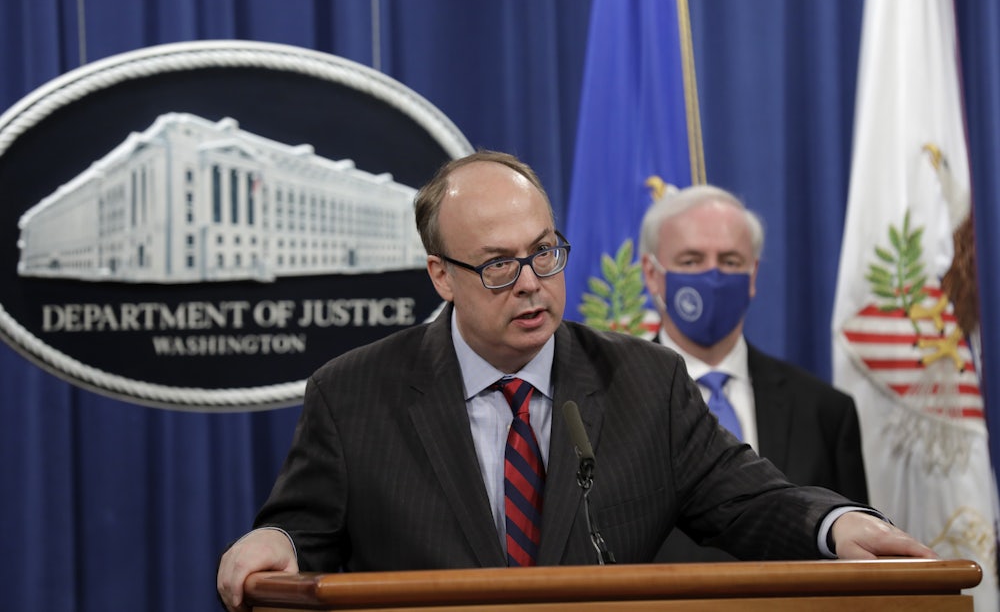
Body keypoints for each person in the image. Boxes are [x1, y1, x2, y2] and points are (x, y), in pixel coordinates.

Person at [217, 150, 933, 612]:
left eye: (544, 252)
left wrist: (836, 524)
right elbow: (304, 530)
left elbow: (748, 498)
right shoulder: (354, 394)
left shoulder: (645, 382)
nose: (532, 283)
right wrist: (276, 540)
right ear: (441, 275)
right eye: (499, 265)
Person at [637, 184, 869, 563]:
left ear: (753, 274)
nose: (713, 277)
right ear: (652, 273)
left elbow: (855, 559)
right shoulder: (611, 402)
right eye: (691, 260)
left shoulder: (824, 411)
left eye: (730, 261)